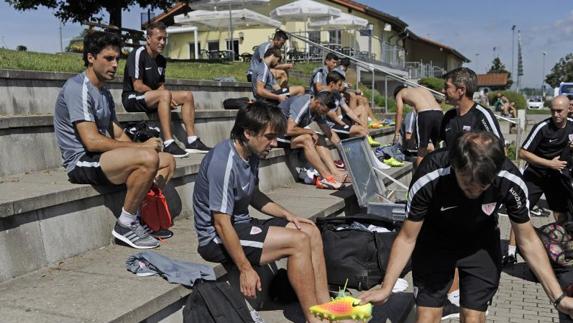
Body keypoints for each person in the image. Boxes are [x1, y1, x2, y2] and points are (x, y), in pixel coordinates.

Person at [359, 131, 573, 322]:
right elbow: (406, 237)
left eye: (483, 185)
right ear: (454, 166)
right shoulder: (430, 176)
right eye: (467, 183)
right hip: (435, 240)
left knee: (473, 317)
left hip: (480, 243)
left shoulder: (510, 181)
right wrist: (387, 287)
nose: (475, 191)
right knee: (427, 316)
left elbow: (527, 240)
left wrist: (558, 297)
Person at [192, 102, 330, 323]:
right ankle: (314, 319)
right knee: (299, 241)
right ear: (248, 133)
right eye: (269, 136)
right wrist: (245, 268)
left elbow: (253, 195)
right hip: (216, 238)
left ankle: (326, 308)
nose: (274, 143)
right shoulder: (224, 162)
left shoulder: (252, 153)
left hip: (240, 225)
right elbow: (220, 223)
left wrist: (287, 215)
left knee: (309, 230)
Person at [54, 31, 176, 249]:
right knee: (148, 158)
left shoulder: (103, 92)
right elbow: (91, 141)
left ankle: (140, 213)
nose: (115, 65)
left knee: (167, 160)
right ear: (91, 58)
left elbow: (117, 133)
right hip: (81, 161)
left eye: (117, 59)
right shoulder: (77, 88)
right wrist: (142, 150)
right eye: (108, 58)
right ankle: (125, 224)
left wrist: (145, 148)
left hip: (102, 157)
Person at [122, 22, 210, 158]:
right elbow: (138, 86)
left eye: (165, 38)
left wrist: (165, 97)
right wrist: (162, 96)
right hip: (133, 98)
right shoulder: (138, 53)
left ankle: (192, 141)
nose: (163, 42)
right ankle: (169, 143)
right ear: (148, 38)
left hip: (152, 98)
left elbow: (160, 86)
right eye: (159, 38)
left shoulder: (161, 60)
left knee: (187, 95)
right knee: (164, 95)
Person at [277, 91, 347, 189]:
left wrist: (344, 149)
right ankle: (327, 178)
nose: (325, 114)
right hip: (276, 135)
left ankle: (335, 173)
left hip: (288, 135)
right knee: (307, 138)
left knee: (320, 137)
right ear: (318, 103)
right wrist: (310, 132)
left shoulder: (317, 109)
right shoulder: (302, 103)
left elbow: (328, 132)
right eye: (324, 111)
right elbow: (289, 130)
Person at [520, 95, 573, 224]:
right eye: (553, 110)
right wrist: (550, 163)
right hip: (535, 176)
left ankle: (562, 241)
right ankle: (513, 245)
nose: (555, 114)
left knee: (561, 213)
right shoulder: (542, 127)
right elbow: (522, 153)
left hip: (555, 177)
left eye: (559, 110)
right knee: (521, 213)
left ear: (568, 109)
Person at [440, 67, 504, 148]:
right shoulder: (448, 116)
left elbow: (500, 149)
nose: (443, 90)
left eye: (447, 87)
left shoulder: (482, 115)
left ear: (461, 90)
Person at [323, 71, 379, 146]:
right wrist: (344, 124)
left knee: (362, 108)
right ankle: (366, 140)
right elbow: (331, 115)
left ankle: (366, 134)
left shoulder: (336, 94)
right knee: (360, 130)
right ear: (332, 84)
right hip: (332, 125)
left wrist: (361, 122)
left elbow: (348, 110)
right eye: (339, 85)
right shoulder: (324, 96)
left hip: (339, 121)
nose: (340, 87)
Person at [393, 85, 443, 165]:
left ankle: (419, 176)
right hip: (439, 113)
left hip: (424, 113)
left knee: (422, 150)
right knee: (435, 147)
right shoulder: (421, 89)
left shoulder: (400, 93)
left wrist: (396, 133)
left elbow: (399, 112)